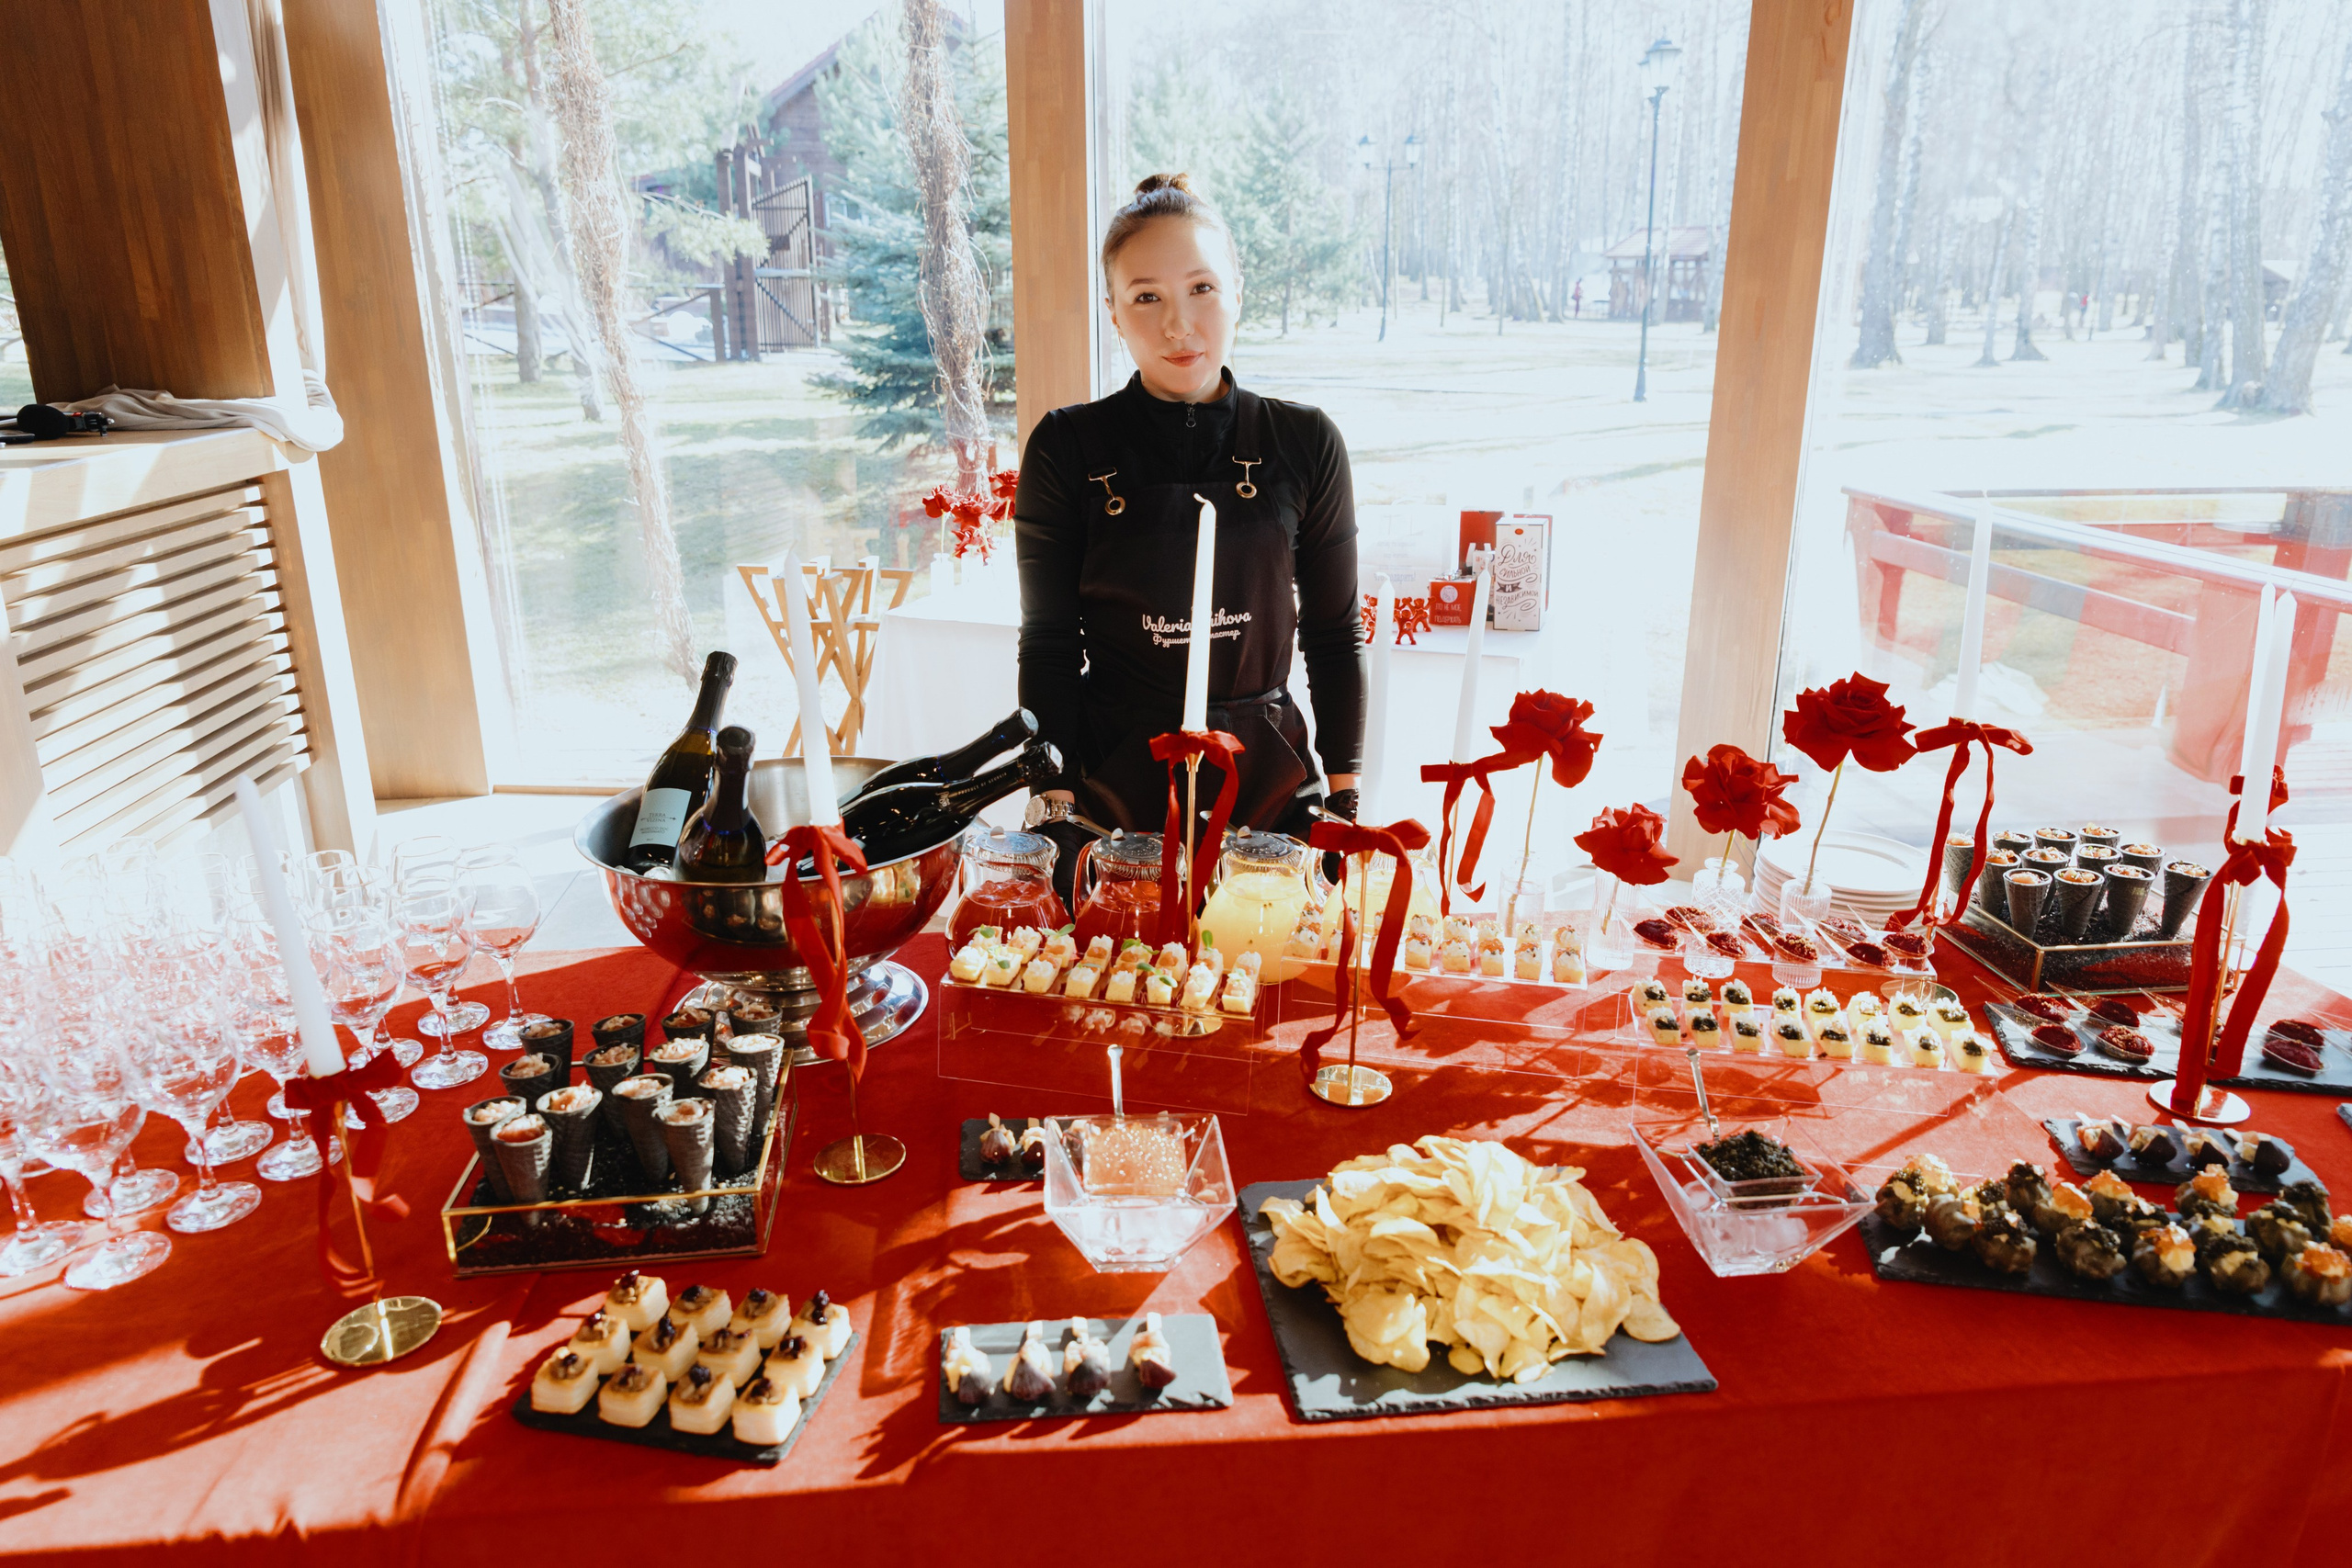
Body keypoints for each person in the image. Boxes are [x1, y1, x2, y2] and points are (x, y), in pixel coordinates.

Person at [1012, 173, 1363, 886]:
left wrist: (1346, 788)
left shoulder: (1306, 442)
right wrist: (1053, 795)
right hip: (1112, 793)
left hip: (1267, 785)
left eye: (1202, 288)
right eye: (1147, 297)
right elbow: (1048, 641)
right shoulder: (1066, 447)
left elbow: (1333, 633)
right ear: (1112, 311)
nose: (1180, 325)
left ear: (1237, 288)